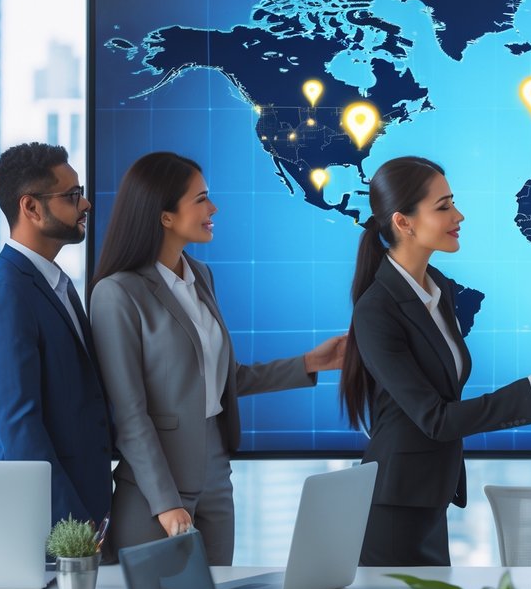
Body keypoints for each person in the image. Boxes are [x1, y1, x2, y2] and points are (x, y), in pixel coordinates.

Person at [342, 156, 531, 566]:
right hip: (394, 506)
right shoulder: (377, 310)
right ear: (403, 222)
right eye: (443, 207)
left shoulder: (438, 289)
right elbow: (436, 419)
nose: (458, 215)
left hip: (429, 497)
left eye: (453, 202)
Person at [90, 152, 345, 565]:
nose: (214, 209)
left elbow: (222, 379)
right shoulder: (117, 294)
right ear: (165, 216)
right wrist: (165, 503)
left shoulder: (201, 277)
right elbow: (130, 414)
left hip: (216, 474)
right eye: (201, 199)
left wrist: (309, 364)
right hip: (157, 488)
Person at [0, 143, 113, 528]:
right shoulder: (7, 290)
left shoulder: (57, 283)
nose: (86, 204)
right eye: (72, 195)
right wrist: (73, 525)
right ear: (31, 207)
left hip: (89, 510)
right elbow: (19, 427)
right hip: (51, 524)